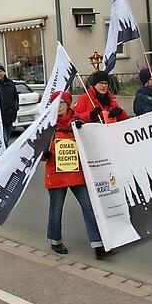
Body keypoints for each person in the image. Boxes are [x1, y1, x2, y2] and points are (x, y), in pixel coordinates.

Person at [42, 91, 113, 260]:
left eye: (62, 103)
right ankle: (55, 240)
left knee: (89, 207)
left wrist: (89, 122)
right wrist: (45, 154)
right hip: (56, 174)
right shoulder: (47, 125)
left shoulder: (76, 122)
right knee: (56, 209)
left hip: (77, 173)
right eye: (56, 104)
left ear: (68, 104)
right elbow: (39, 153)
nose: (59, 107)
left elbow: (89, 123)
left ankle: (98, 245)